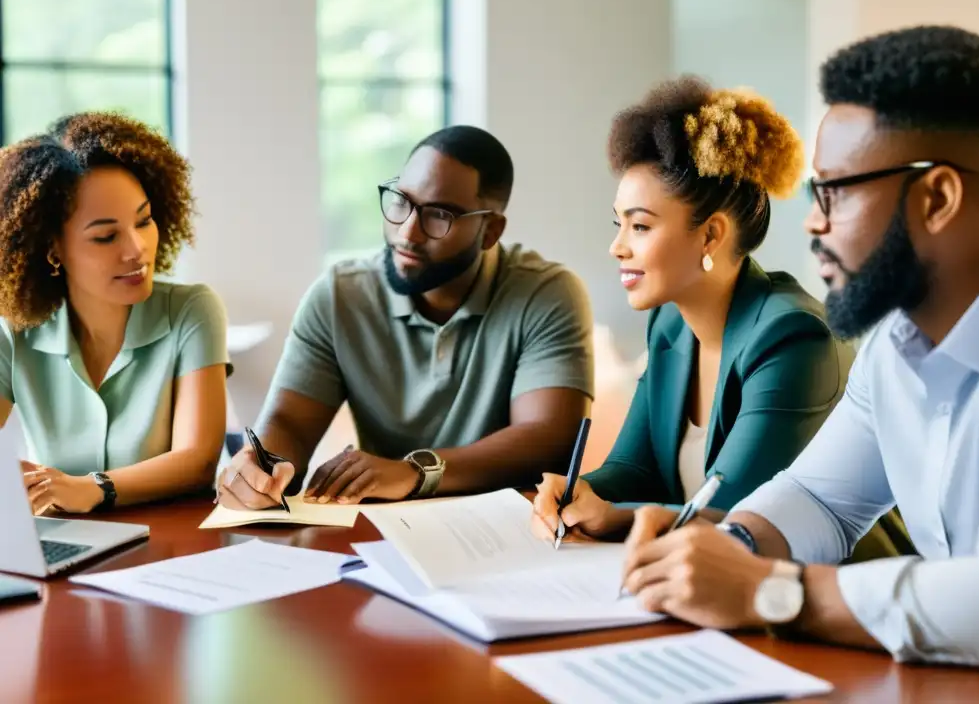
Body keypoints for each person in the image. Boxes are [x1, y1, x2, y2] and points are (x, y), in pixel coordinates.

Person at [620, 25, 979, 674]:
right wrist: (728, 547)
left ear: (938, 198)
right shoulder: (897, 342)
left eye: (832, 191)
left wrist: (770, 593)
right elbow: (821, 499)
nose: (812, 221)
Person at [530, 75, 853, 543]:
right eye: (618, 223)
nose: (616, 247)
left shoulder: (795, 339)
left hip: (819, 596)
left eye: (639, 227)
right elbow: (633, 467)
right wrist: (579, 491)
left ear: (710, 236)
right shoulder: (670, 323)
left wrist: (617, 517)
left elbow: (737, 514)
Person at [216, 125, 593, 509]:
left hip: (509, 534)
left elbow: (546, 439)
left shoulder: (546, 293)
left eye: (440, 215)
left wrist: (415, 471)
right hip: (386, 533)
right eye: (401, 201)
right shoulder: (339, 296)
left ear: (490, 231)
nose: (408, 232)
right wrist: (262, 467)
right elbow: (289, 422)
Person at [0, 112, 231, 514]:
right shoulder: (15, 332)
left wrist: (91, 488)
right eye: (106, 236)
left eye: (143, 221)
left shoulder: (193, 311)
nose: (137, 249)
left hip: (173, 547)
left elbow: (197, 461)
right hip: (66, 547)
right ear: (52, 249)